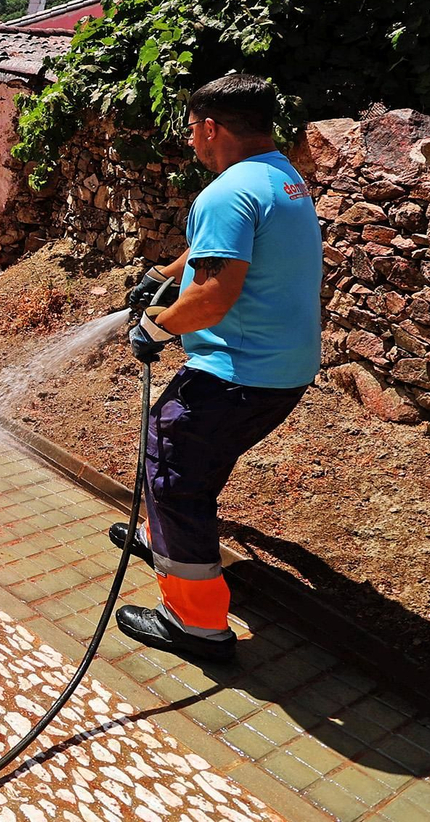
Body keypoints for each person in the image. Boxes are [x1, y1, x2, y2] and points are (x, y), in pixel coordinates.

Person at [117, 73, 322, 664]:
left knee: (174, 472)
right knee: (181, 456)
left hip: (236, 374)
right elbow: (219, 249)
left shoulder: (227, 191)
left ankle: (196, 623)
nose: (190, 142)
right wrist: (161, 276)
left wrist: (156, 326)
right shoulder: (281, 179)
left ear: (210, 126)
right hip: (280, 370)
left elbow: (211, 295)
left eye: (191, 129)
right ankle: (166, 541)